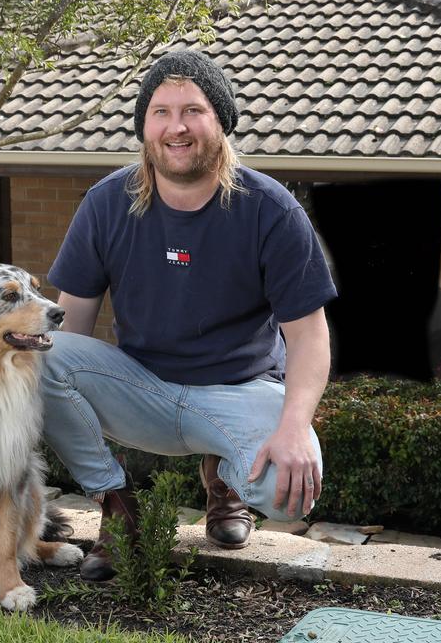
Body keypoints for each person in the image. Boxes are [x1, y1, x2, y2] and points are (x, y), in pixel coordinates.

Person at [41, 49, 337, 582]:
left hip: (239, 390)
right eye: (161, 112)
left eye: (193, 110)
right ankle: (117, 507)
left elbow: (310, 336)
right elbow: (70, 327)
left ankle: (226, 480)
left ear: (220, 120)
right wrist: (51, 405)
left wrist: (294, 428)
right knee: (38, 357)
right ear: (143, 126)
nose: (176, 127)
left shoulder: (271, 210)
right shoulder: (107, 204)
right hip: (143, 389)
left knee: (290, 496)